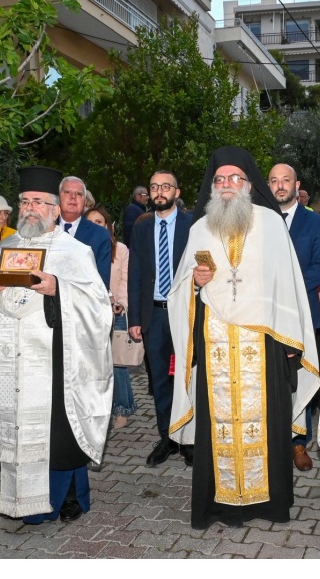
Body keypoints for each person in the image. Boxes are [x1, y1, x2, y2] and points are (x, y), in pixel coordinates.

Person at [168, 148, 318, 530]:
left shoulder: (269, 223)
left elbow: (287, 285)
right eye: (220, 179)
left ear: (250, 185)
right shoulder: (200, 227)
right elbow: (179, 288)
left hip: (262, 344)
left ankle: (269, 501)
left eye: (235, 178)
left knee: (266, 420)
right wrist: (194, 284)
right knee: (217, 423)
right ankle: (217, 502)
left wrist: (289, 346)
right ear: (212, 187)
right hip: (214, 340)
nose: (227, 185)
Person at [0, 166, 112, 523]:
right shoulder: (2, 248)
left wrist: (58, 288)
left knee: (61, 434)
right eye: (25, 201)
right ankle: (22, 502)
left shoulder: (73, 250)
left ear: (55, 209)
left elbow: (97, 305)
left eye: (39, 202)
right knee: (17, 428)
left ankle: (69, 498)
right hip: (10, 361)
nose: (30, 208)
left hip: (54, 361)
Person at [127, 170, 194, 465]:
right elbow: (136, 274)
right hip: (154, 315)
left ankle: (190, 439)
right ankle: (167, 438)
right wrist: (135, 318)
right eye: (154, 187)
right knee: (160, 380)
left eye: (166, 186)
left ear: (177, 192)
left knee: (187, 377)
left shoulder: (193, 225)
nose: (159, 191)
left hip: (185, 313)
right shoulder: (141, 227)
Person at [269, 162, 320, 471]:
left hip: (303, 314)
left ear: (297, 184)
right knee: (270, 379)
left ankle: (298, 443)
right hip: (264, 316)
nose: (281, 185)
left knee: (300, 377)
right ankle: (271, 439)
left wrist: (286, 291)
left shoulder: (315, 223)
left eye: (286, 180)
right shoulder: (259, 222)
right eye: (274, 181)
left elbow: (319, 269)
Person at [87, 207, 136, 429]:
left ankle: (122, 409)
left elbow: (125, 280)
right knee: (91, 363)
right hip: (87, 314)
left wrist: (122, 304)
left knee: (117, 363)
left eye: (100, 221)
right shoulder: (78, 249)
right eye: (91, 222)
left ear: (109, 225)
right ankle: (96, 410)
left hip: (113, 311)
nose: (96, 226)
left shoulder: (121, 250)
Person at [59, 175, 113, 289]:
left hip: (82, 305)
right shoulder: (44, 229)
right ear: (58, 197)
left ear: (85, 202)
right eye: (67, 192)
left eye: (79, 194)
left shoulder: (100, 235)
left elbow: (101, 284)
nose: (73, 197)